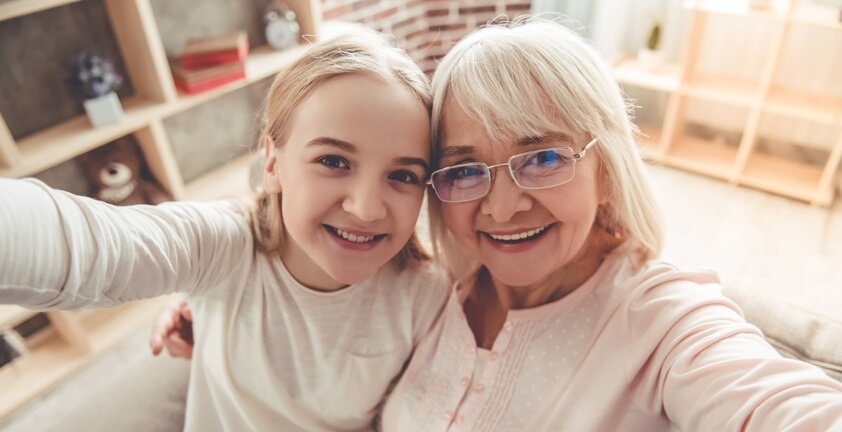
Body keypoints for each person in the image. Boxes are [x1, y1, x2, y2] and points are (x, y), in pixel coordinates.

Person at [152, 17, 842, 431]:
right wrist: (212, 300)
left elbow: (775, 406)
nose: (502, 208)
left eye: (541, 157)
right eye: (462, 169)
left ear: (607, 166)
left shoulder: (665, 319)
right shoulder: (438, 286)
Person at [0, 28, 450, 432]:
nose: (366, 208)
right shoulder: (223, 246)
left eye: (403, 175)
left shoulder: (425, 296)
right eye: (333, 161)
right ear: (273, 162)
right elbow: (88, 245)